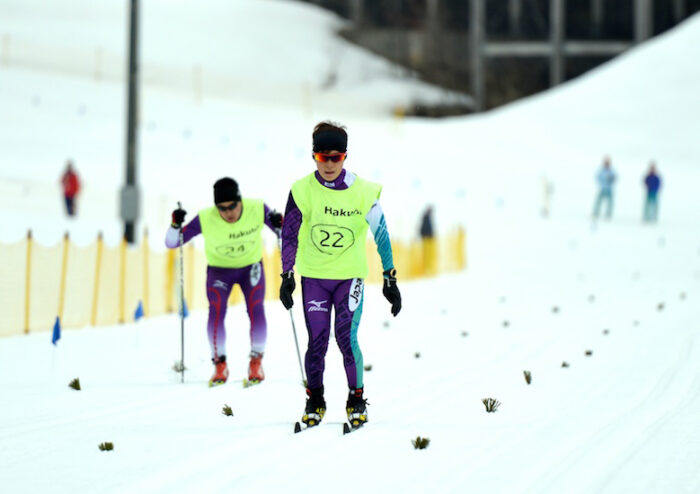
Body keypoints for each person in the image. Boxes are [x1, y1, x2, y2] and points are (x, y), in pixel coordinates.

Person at [280, 121, 401, 430]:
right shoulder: (301, 190)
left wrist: (390, 277)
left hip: (350, 278)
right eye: (323, 157)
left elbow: (382, 236)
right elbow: (290, 234)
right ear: (314, 157)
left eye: (336, 157)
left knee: (345, 338)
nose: (330, 164)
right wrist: (287, 274)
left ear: (345, 156)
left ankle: (356, 398)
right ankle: (315, 400)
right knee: (317, 340)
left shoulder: (363, 191)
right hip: (315, 278)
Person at [165, 177, 283, 387]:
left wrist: (279, 223)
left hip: (251, 268)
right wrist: (175, 224)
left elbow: (284, 232)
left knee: (256, 309)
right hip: (220, 272)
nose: (228, 212)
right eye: (222, 208)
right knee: (216, 312)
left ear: (240, 201)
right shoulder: (206, 218)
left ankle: (256, 362)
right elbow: (173, 242)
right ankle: (219, 365)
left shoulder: (256, 208)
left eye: (233, 206)